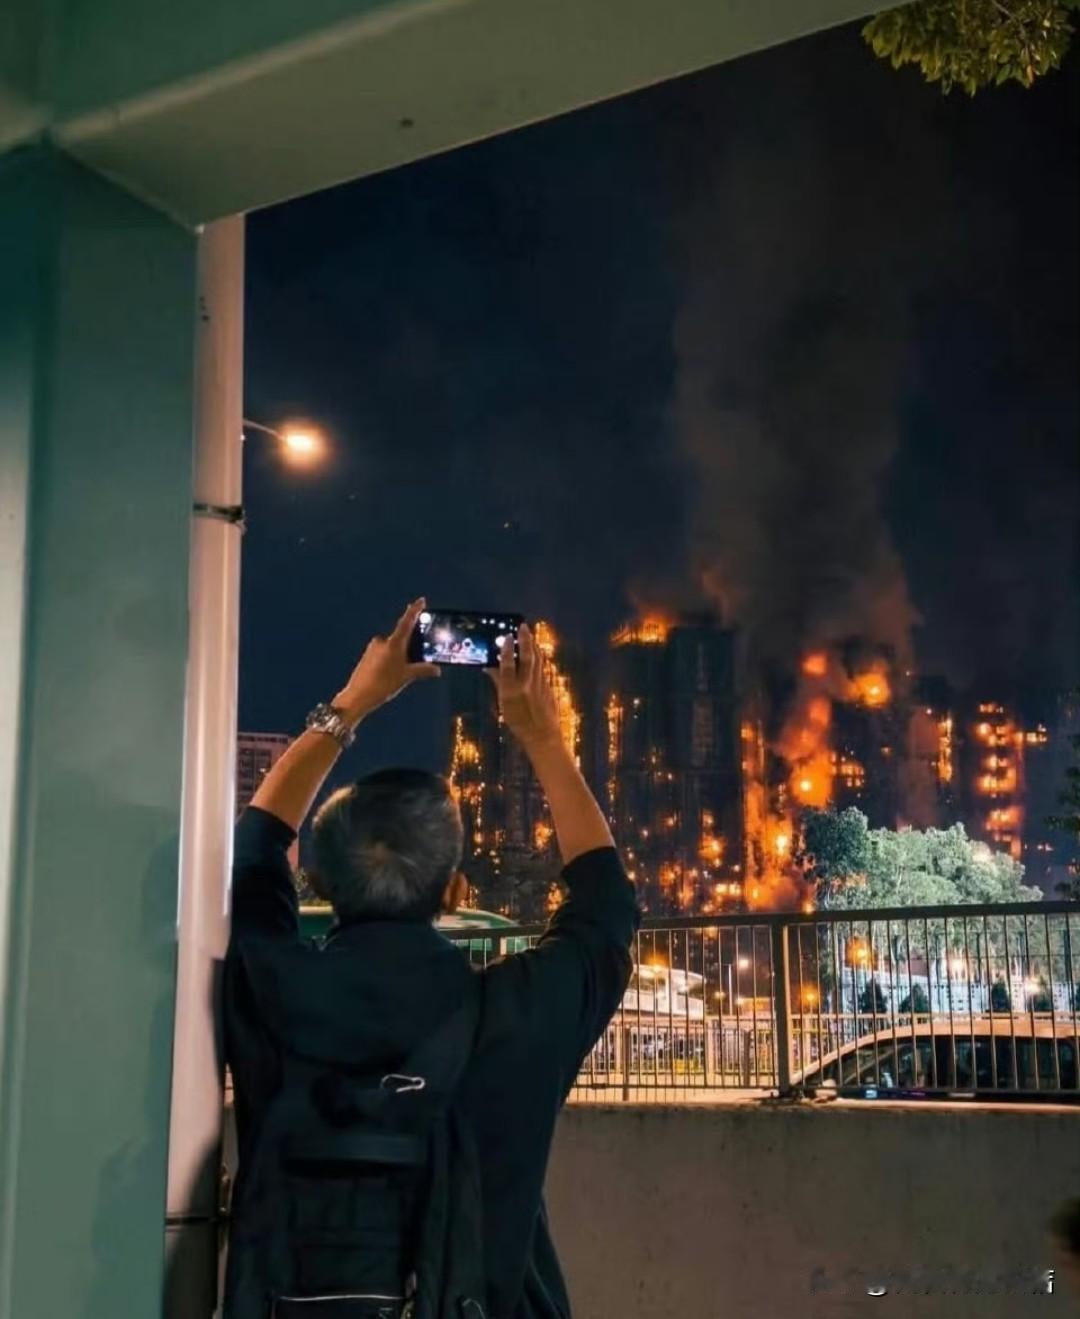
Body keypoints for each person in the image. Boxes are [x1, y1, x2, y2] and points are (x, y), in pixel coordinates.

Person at [223, 599, 639, 1318]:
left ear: (317, 883)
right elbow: (604, 909)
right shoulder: (515, 1015)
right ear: (454, 889)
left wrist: (355, 701)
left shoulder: (272, 986)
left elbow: (256, 846)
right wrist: (539, 732)